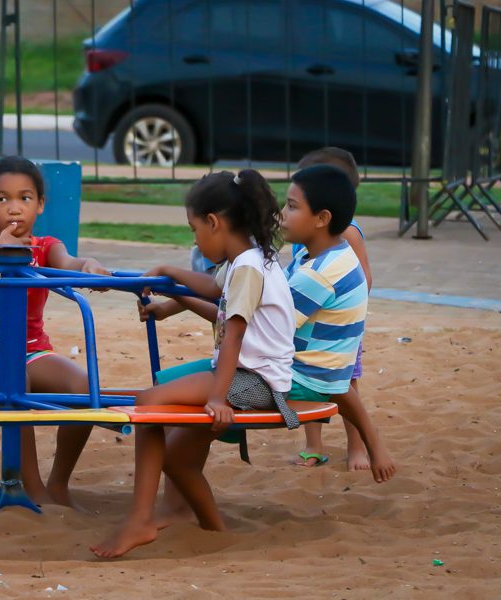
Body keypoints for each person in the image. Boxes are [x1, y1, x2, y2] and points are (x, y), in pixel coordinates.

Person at [91, 169, 296, 558]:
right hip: (246, 376)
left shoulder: (248, 269)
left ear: (214, 222)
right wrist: (170, 286)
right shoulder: (246, 261)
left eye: (194, 229)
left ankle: (140, 519)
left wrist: (218, 397)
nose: (195, 239)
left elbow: (233, 334)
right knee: (177, 460)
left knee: (149, 402)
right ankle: (217, 534)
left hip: (255, 382)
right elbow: (214, 291)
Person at [0, 155, 109, 509]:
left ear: (40, 204)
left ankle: (58, 484)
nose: (14, 208)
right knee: (13, 377)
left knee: (85, 386)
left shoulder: (44, 247)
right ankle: (31, 486)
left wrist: (90, 267)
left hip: (33, 350)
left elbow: (70, 263)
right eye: (2, 199)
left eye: (24, 198)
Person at [280, 164, 396, 484]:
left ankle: (363, 445)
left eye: (291, 206)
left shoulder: (317, 273)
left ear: (322, 218)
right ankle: (357, 444)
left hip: (301, 376)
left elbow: (261, 328)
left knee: (200, 393)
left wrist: (188, 301)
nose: (281, 214)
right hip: (317, 369)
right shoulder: (319, 256)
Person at [290, 147, 373, 471]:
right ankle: (314, 446)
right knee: (308, 374)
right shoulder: (303, 235)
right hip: (305, 325)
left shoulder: (347, 232)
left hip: (336, 330)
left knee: (345, 385)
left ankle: (357, 447)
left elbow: (362, 278)